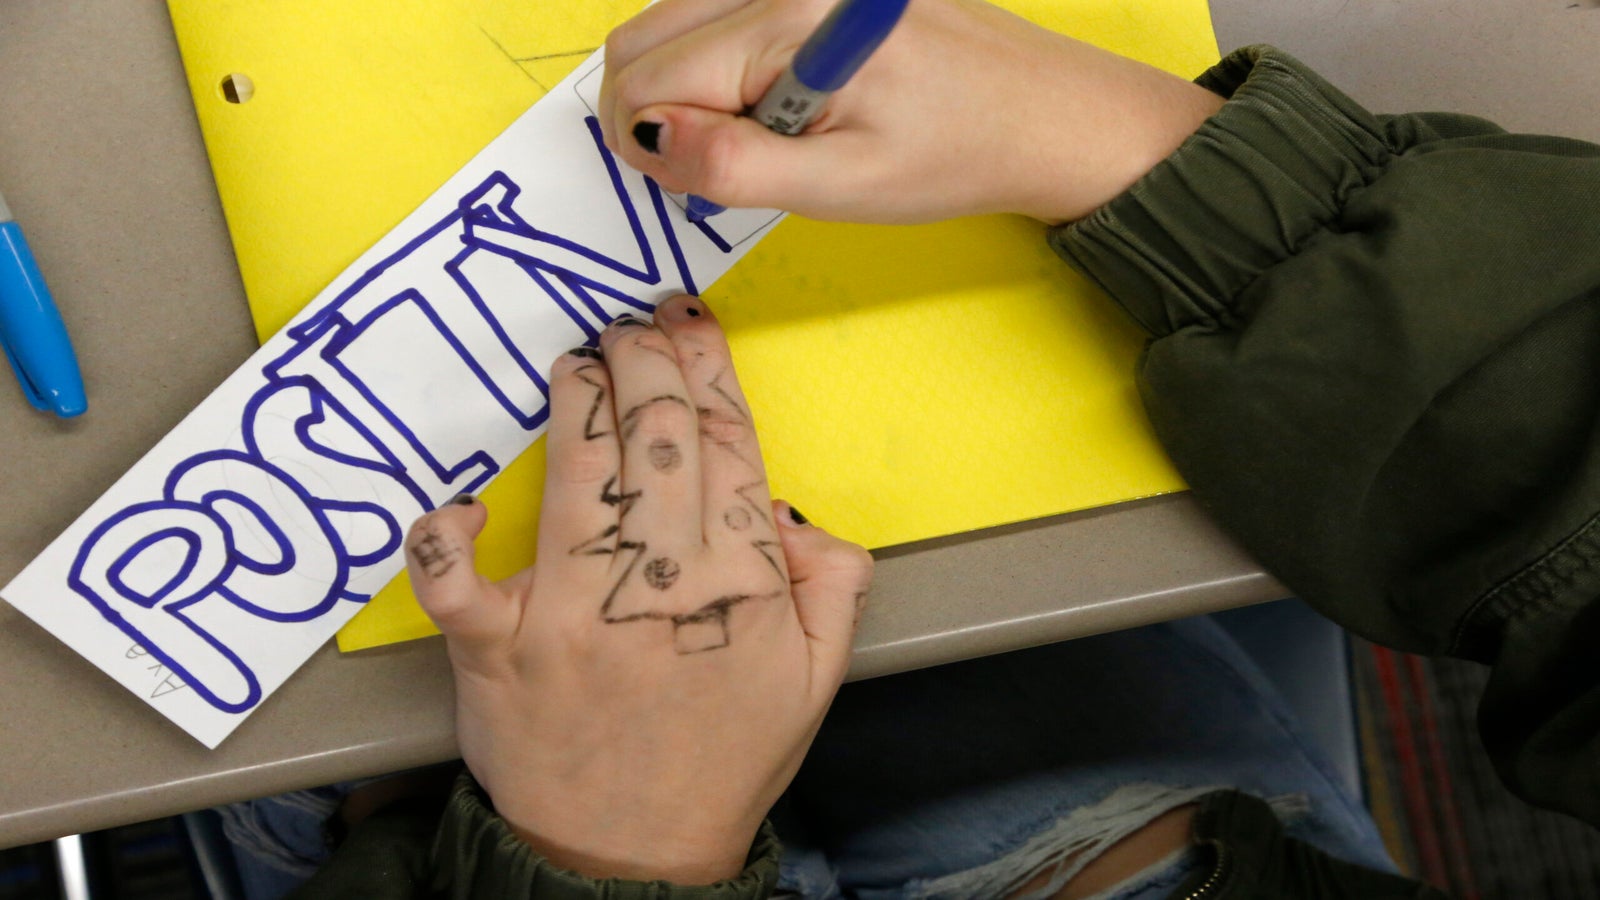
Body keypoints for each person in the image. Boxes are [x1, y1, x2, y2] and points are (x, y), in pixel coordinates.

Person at [266, 0, 1600, 896]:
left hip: (551, 846)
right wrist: (1155, 158)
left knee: (338, 725)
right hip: (1143, 856)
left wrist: (599, 850)